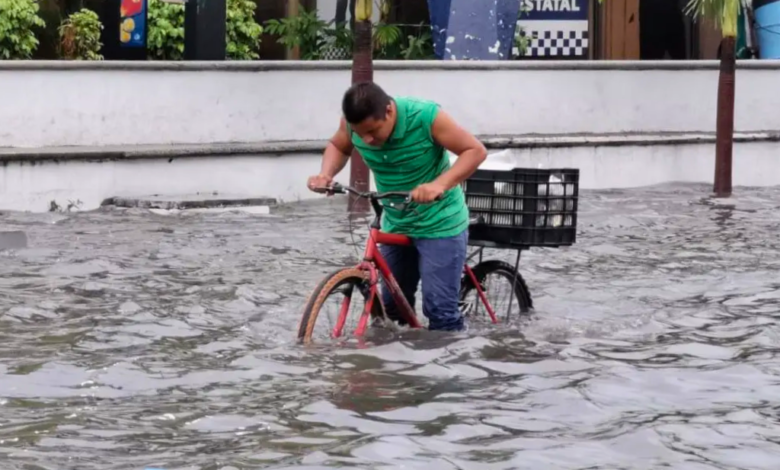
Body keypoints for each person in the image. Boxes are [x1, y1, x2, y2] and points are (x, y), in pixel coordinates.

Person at [306, 81, 487, 332]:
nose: (367, 140)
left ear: (389, 111)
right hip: (395, 220)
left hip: (440, 221)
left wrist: (439, 185)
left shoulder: (426, 116)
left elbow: (475, 150)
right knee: (392, 312)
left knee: (440, 313)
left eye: (373, 131)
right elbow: (338, 145)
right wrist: (325, 174)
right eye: (360, 134)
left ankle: (450, 367)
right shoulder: (352, 126)